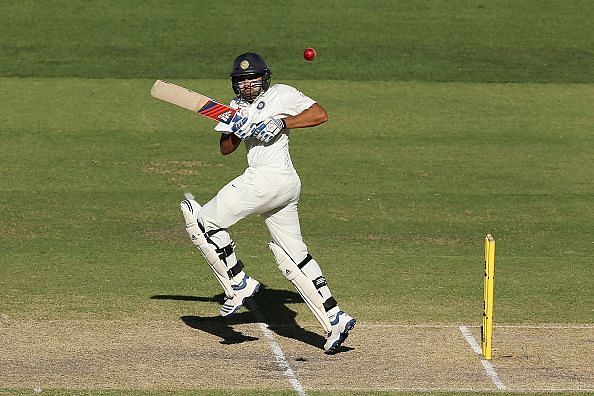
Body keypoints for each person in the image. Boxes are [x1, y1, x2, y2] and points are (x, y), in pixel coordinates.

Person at [179, 52, 355, 354]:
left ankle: (238, 282)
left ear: (264, 78)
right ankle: (334, 317)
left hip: (270, 179)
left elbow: (319, 114)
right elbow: (225, 149)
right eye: (242, 80)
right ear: (236, 84)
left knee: (199, 220)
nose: (248, 84)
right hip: (281, 187)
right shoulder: (234, 107)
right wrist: (238, 127)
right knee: (292, 257)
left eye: (253, 78)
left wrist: (281, 122)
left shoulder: (282, 94)